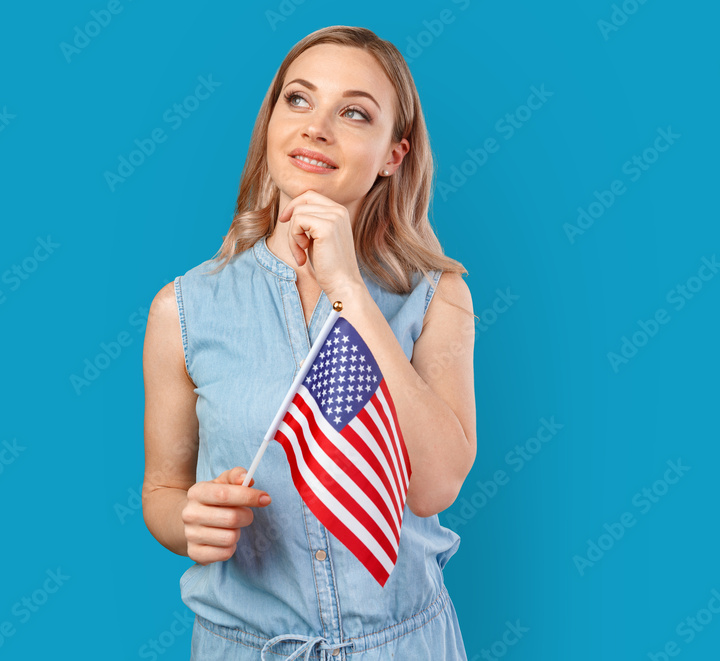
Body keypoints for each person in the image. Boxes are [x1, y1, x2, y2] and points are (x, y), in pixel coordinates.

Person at [141, 25, 477, 661]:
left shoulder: (436, 296)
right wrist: (191, 523)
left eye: (353, 112)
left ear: (393, 155)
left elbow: (435, 485)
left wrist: (347, 286)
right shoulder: (183, 310)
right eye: (298, 100)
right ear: (270, 125)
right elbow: (162, 491)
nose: (316, 128)